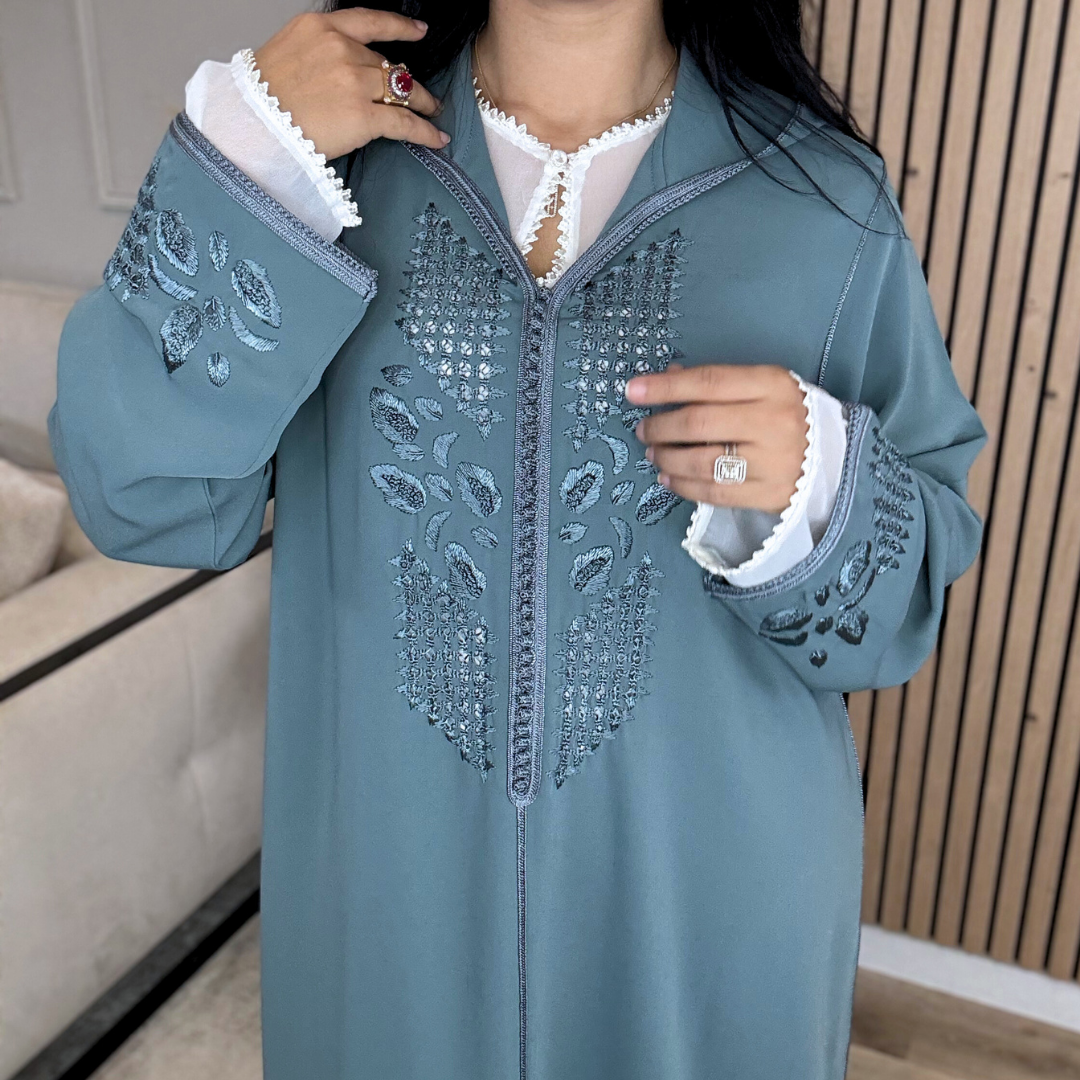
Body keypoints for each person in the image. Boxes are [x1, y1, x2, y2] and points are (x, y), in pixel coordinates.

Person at [48, 2, 986, 1077]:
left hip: (707, 923)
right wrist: (250, 158)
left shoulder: (824, 202)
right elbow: (136, 497)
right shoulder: (328, 164)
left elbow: (902, 610)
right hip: (385, 909)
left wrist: (817, 485)